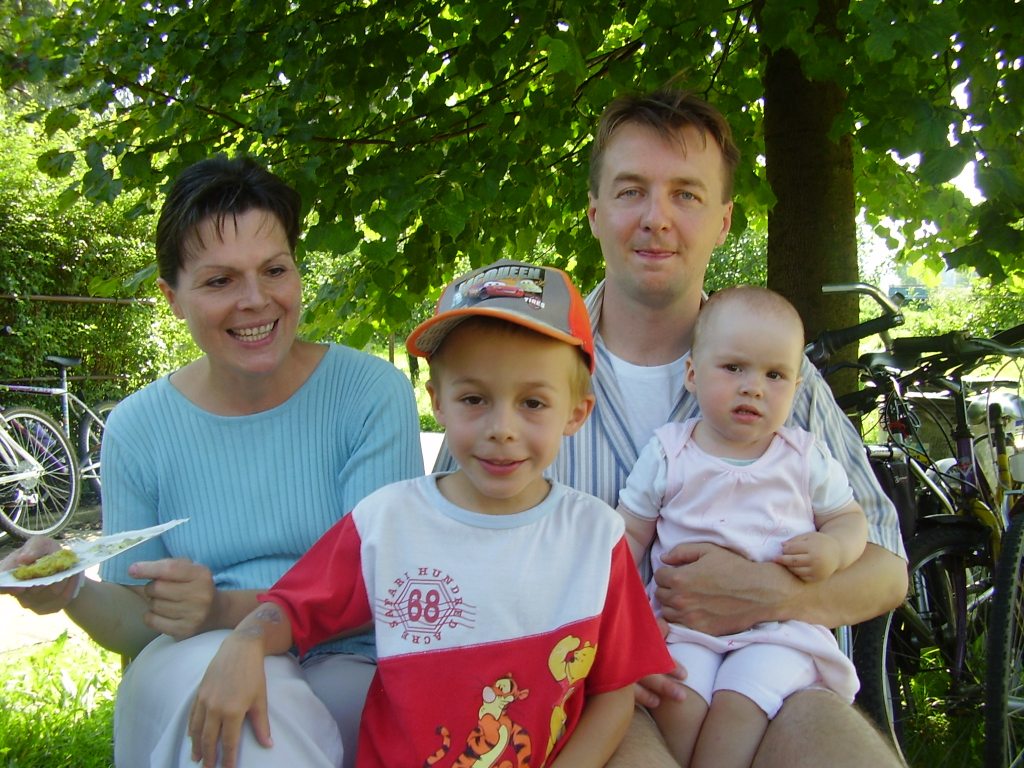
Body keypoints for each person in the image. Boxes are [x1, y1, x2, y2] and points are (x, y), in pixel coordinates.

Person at [433, 88, 908, 766]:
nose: (656, 218)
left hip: (771, 683)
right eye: (631, 191)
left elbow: (886, 567)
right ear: (595, 213)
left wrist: (770, 595)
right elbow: (444, 559)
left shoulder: (780, 377)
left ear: (723, 220)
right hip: (574, 691)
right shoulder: (514, 368)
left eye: (686, 194)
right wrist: (596, 650)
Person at [0, 155, 423, 768]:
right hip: (192, 660)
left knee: (281, 715)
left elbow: (377, 590)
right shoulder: (139, 428)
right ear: (172, 297)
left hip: (345, 656)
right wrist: (71, 591)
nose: (256, 300)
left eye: (274, 270)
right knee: (244, 717)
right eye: (220, 281)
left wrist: (226, 614)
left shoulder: (368, 395)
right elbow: (138, 623)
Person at [187, 258, 675, 768]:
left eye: (532, 403)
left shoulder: (597, 538)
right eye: (474, 399)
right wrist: (244, 643)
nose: (502, 429)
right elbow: (291, 608)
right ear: (438, 401)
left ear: (576, 412)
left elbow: (614, 693)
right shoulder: (386, 523)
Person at [617, 285, 868, 768]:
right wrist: (627, 617)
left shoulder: (803, 457)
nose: (753, 387)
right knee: (676, 700)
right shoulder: (670, 452)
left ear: (796, 389)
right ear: (692, 374)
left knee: (740, 705)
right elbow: (629, 535)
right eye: (733, 368)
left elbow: (849, 518)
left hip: (779, 632)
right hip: (684, 625)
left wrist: (834, 549)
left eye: (774, 375)